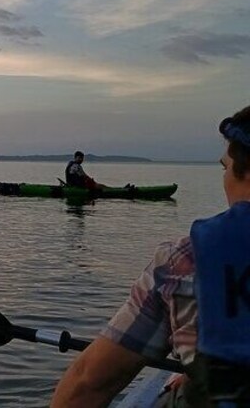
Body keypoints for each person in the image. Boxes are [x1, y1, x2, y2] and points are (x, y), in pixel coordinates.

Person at [51, 106, 250, 407]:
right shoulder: (76, 169)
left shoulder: (182, 260)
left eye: (225, 168)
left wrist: (200, 371)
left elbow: (88, 383)